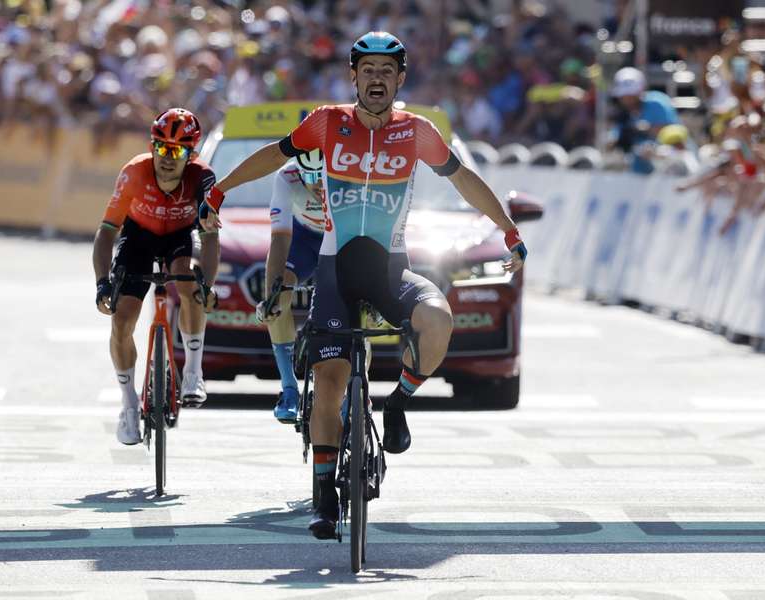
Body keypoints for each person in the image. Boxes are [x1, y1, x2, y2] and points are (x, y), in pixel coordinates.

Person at [198, 32, 528, 539]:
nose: (377, 78)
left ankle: (396, 404)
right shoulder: (329, 122)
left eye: (386, 71)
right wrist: (219, 192)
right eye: (367, 70)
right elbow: (274, 156)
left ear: (400, 79)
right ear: (354, 77)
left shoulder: (417, 132)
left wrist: (508, 230)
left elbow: (462, 181)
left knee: (438, 318)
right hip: (334, 269)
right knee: (329, 381)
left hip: (390, 269)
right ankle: (324, 494)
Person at [93, 107, 221, 445]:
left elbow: (210, 237)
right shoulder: (134, 173)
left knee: (189, 278)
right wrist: (102, 283)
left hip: (180, 237)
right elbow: (107, 231)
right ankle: (129, 405)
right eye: (161, 147)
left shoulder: (203, 178)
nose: (167, 157)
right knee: (122, 321)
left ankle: (193, 371)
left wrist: (208, 284)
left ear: (191, 154)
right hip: (139, 238)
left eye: (177, 151)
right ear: (152, 146)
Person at [255, 149, 327, 423]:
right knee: (279, 291)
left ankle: (357, 394)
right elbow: (279, 238)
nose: (319, 184)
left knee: (355, 305)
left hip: (339, 238)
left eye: (324, 176)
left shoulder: (350, 174)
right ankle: (288, 388)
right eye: (312, 176)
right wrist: (273, 293)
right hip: (302, 240)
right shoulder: (286, 177)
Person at [610, 66, 680, 174]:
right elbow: (614, 139)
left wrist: (646, 129)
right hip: (636, 168)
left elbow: (675, 134)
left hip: (668, 161)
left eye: (631, 95)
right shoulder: (622, 113)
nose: (627, 99)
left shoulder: (657, 103)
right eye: (624, 96)